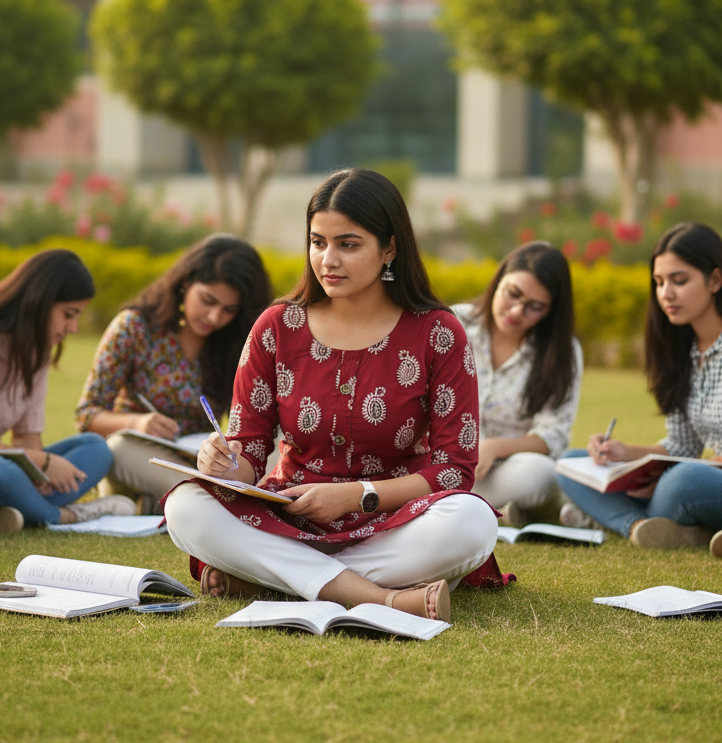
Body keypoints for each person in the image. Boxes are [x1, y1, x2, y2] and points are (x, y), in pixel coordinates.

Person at [163, 168, 500, 623]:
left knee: (471, 523)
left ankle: (269, 578)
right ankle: (382, 598)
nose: (328, 260)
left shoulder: (438, 333)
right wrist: (224, 463)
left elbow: (455, 469)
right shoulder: (277, 328)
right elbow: (249, 449)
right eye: (318, 242)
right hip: (291, 516)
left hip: (396, 519)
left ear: (389, 248)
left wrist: (356, 496)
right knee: (186, 506)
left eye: (348, 244)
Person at [558, 222, 722, 557]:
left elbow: (689, 465)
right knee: (571, 464)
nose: (666, 294)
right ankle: (643, 528)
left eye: (680, 280)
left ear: (715, 280)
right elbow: (682, 445)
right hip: (697, 475)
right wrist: (624, 453)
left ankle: (628, 519)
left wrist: (679, 471)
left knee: (681, 482)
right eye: (659, 283)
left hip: (700, 481)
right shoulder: (683, 354)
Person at [75, 234, 272, 510]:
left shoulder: (234, 343)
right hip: (139, 456)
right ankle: (202, 501)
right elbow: (86, 414)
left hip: (200, 462)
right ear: (185, 283)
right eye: (207, 300)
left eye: (229, 310)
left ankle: (174, 502)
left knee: (274, 449)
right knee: (118, 447)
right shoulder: (134, 328)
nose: (215, 317)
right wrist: (137, 424)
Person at [0, 249, 134, 534]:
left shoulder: (36, 352)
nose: (72, 328)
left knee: (95, 448)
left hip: (3, 468)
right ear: (39, 302)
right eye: (68, 315)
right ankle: (65, 516)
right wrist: (36, 460)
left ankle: (0, 512)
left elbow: (27, 435)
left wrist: (36, 472)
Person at [452, 242, 582, 527]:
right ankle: (494, 511)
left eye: (534, 307)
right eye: (513, 294)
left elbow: (553, 434)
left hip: (505, 469)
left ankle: (463, 506)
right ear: (499, 280)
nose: (517, 311)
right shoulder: (455, 323)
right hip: (443, 460)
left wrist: (495, 448)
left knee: (539, 473)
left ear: (550, 311)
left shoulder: (563, 353)